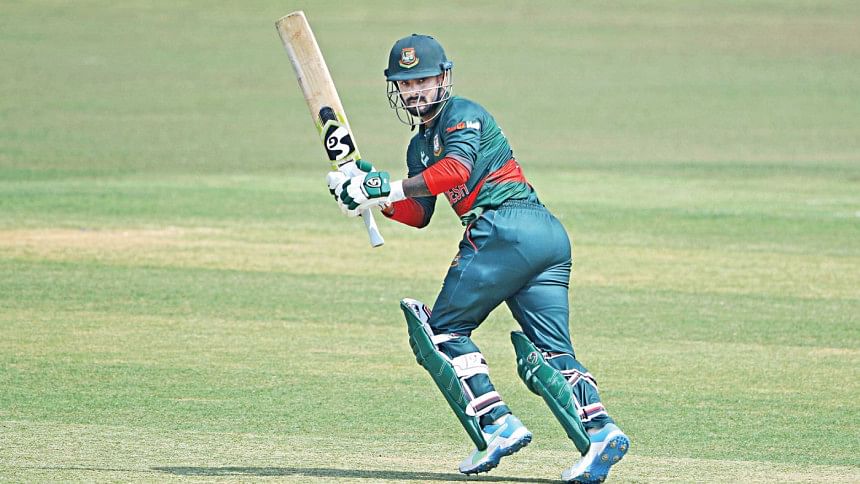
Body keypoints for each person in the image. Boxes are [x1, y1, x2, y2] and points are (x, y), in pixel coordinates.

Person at [329, 34, 629, 483]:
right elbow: (419, 213)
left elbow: (457, 171)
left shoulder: (462, 113)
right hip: (543, 238)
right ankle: (601, 432)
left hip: (505, 226)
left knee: (442, 332)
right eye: (406, 84)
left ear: (443, 78)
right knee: (554, 352)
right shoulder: (418, 146)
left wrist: (385, 188)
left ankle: (497, 424)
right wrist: (373, 199)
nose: (414, 91)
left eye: (423, 80)